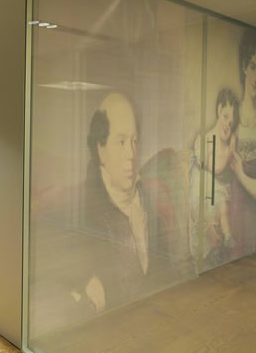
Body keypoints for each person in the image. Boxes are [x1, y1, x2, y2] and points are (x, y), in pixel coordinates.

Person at [74, 93, 180, 315]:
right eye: (121, 142)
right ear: (101, 150)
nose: (132, 153)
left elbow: (168, 276)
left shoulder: (150, 207)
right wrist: (82, 281)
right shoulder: (81, 211)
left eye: (134, 141)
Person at [230, 30, 256, 258]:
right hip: (234, 207)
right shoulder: (232, 115)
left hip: (254, 215)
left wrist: (240, 173)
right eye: (253, 66)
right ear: (244, 67)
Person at [189, 88, 239, 267]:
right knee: (205, 210)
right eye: (225, 117)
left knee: (223, 207)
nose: (227, 125)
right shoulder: (207, 138)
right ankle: (213, 245)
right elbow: (209, 166)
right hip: (203, 181)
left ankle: (227, 236)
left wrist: (232, 148)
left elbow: (230, 166)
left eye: (231, 123)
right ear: (219, 111)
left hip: (217, 185)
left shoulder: (228, 143)